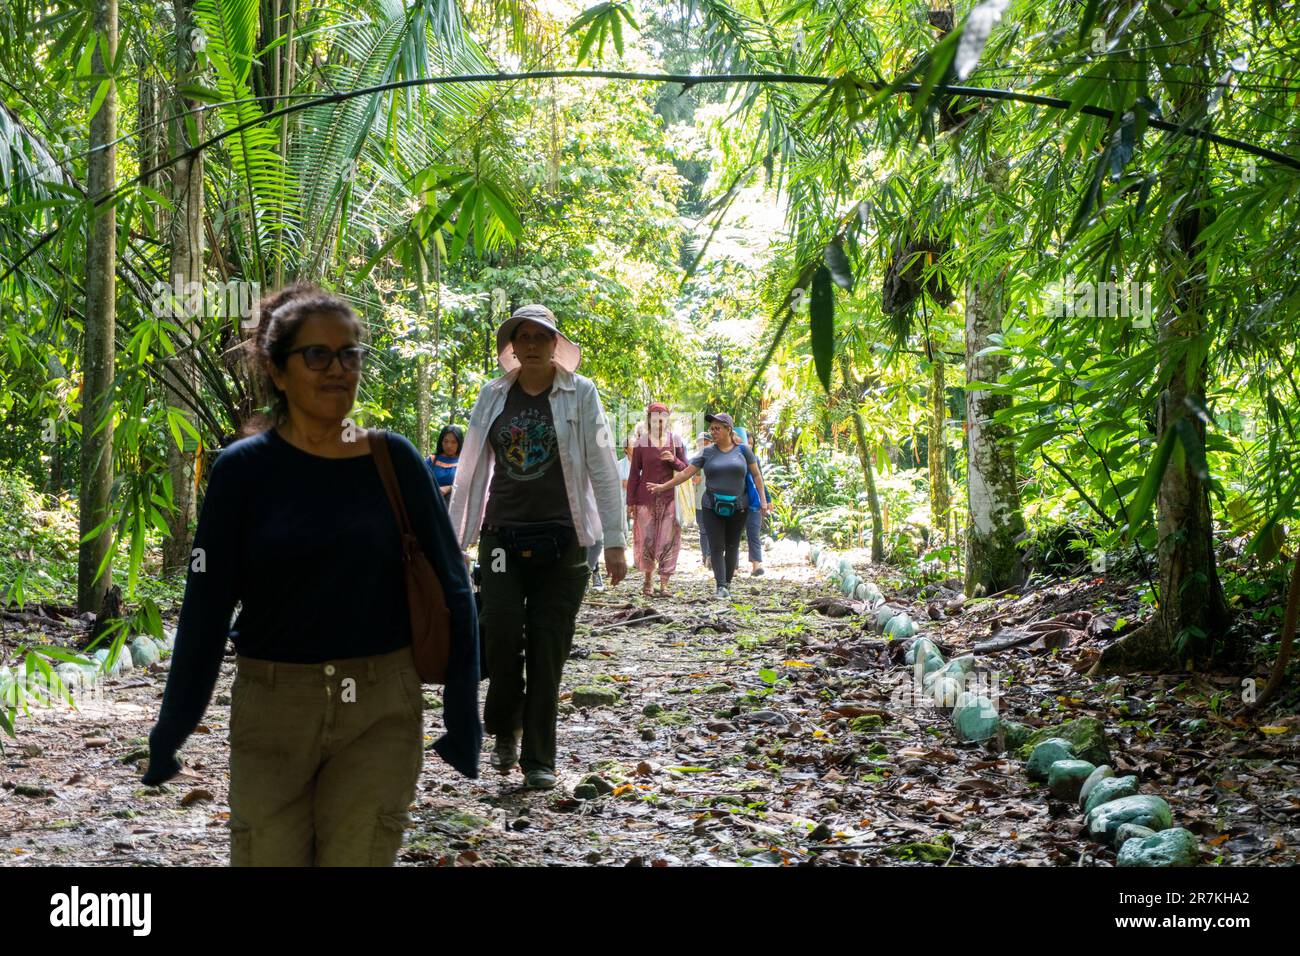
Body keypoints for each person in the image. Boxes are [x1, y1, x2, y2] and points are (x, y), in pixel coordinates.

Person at [140, 283, 481, 866]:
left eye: (350, 354)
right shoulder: (239, 472)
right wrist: (172, 729)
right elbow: (205, 607)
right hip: (274, 708)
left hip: (380, 705)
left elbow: (454, 584)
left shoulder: (393, 460)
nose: (337, 370)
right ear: (276, 370)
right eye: (316, 355)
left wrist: (461, 717)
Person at [447, 304, 627, 789]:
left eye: (540, 337)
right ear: (512, 346)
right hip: (501, 537)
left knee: (548, 647)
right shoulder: (492, 396)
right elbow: (468, 471)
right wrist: (455, 542)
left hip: (565, 538)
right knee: (501, 632)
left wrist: (614, 541)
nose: (530, 345)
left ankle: (538, 760)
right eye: (521, 337)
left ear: (554, 345)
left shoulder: (581, 393)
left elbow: (603, 467)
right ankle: (505, 723)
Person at [647, 412, 769, 601]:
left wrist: (762, 500)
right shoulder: (707, 452)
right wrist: (663, 487)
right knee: (716, 546)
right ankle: (720, 586)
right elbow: (686, 473)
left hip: (739, 506)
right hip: (712, 506)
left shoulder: (744, 451)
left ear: (729, 429)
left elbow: (757, 476)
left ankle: (727, 583)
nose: (713, 431)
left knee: (732, 545)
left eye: (717, 428)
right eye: (711, 428)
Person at [626, 402, 688, 597]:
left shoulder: (676, 440)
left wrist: (673, 460)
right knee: (647, 539)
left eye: (662, 419)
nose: (659, 423)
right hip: (645, 499)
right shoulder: (641, 443)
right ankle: (647, 581)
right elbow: (634, 474)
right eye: (655, 419)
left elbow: (686, 469)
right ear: (649, 421)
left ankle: (665, 584)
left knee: (668, 539)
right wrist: (631, 502)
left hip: (669, 498)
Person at [734, 426, 770, 576]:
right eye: (745, 442)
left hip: (753, 501)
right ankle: (733, 567)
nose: (748, 445)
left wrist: (766, 500)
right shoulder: (729, 458)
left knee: (753, 533)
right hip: (735, 502)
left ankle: (756, 565)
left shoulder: (754, 460)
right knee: (734, 535)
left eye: (750, 443)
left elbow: (759, 479)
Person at [426, 424, 463, 504]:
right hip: (431, 503)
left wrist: (449, 488)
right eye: (446, 441)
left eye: (454, 442)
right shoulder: (431, 460)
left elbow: (468, 486)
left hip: (455, 508)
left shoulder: (464, 462)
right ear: (441, 442)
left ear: (459, 443)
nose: (449, 446)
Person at [692, 431, 711, 567]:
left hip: (714, 500)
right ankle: (705, 555)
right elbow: (691, 480)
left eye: (706, 442)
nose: (702, 445)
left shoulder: (717, 458)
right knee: (703, 529)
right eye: (700, 443)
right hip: (699, 500)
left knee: (712, 529)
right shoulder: (694, 460)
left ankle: (711, 555)